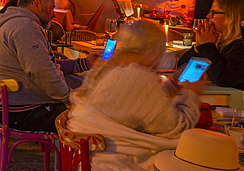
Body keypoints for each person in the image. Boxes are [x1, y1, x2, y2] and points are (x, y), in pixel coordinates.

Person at [68, 19, 202, 171]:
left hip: (88, 159)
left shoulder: (109, 66)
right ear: (152, 51)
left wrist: (173, 85)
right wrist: (192, 93)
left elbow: (134, 102)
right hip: (115, 163)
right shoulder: (140, 77)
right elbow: (176, 128)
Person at [0, 0, 96, 131]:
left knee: (90, 111)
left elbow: (44, 64)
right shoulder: (25, 27)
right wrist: (71, 98)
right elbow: (42, 71)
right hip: (25, 112)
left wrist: (84, 63)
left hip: (14, 107)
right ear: (37, 4)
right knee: (94, 121)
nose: (54, 14)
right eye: (51, 8)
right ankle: (75, 153)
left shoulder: (17, 23)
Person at [178, 0, 244, 95]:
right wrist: (198, 47)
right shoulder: (219, 42)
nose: (209, 16)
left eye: (214, 12)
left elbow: (224, 79)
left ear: (231, 16)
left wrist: (206, 46)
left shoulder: (243, 48)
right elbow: (185, 71)